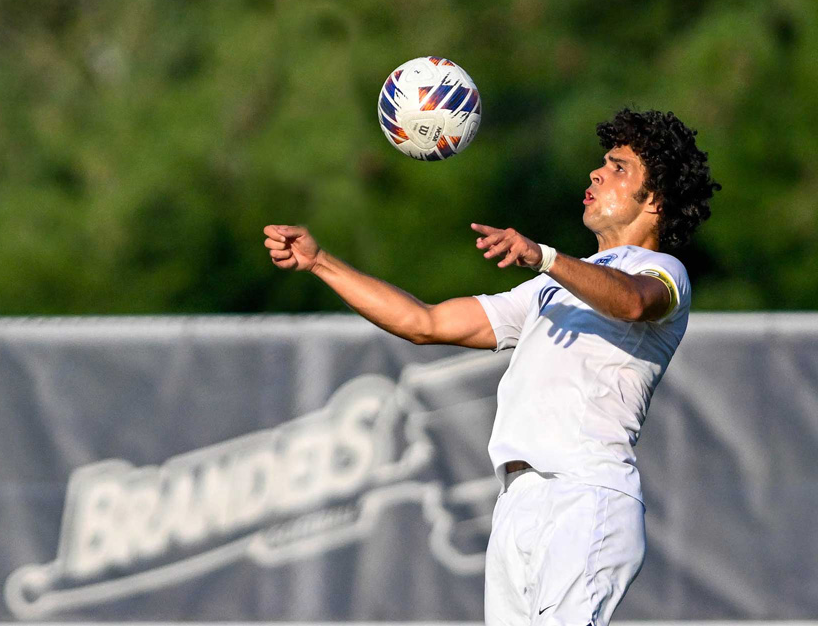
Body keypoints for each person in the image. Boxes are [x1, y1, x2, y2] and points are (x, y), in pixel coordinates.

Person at [262, 108, 719, 626]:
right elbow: (424, 322)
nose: (596, 173)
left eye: (617, 167)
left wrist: (544, 257)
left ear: (654, 199)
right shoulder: (549, 290)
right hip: (517, 505)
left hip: (584, 496)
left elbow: (634, 303)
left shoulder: (661, 272)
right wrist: (321, 262)